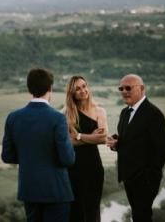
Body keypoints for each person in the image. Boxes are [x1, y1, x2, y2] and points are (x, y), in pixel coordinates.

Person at [2, 68, 75, 222]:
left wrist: (29, 157)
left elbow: (7, 156)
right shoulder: (57, 118)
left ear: (29, 89)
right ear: (50, 89)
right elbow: (67, 159)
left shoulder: (13, 117)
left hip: (29, 190)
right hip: (56, 191)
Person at [106, 74, 165, 222]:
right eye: (121, 88)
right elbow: (129, 140)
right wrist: (116, 143)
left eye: (128, 88)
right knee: (137, 216)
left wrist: (149, 175)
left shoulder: (153, 114)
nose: (124, 91)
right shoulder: (124, 112)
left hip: (145, 179)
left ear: (142, 89)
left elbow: (163, 149)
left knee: (142, 216)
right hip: (129, 177)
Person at [64, 76, 107, 222]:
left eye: (84, 86)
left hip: (94, 169)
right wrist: (90, 137)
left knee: (92, 211)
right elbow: (67, 143)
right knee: (74, 212)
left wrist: (78, 136)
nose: (83, 91)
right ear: (72, 93)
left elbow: (102, 138)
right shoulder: (66, 114)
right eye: (78, 89)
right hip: (73, 169)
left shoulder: (99, 111)